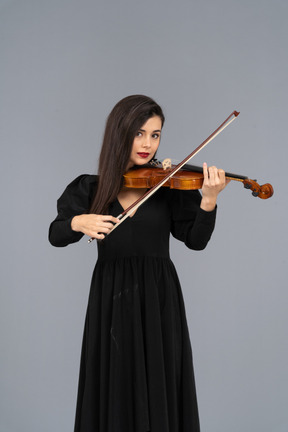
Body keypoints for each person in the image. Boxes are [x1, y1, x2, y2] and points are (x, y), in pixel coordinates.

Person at [49, 95, 228, 432]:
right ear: (121, 134)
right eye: (139, 133)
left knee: (161, 381)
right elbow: (56, 234)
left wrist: (208, 200)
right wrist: (78, 222)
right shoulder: (90, 187)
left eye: (156, 134)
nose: (148, 143)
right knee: (114, 382)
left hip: (159, 296)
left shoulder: (168, 184)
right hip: (111, 297)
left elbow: (195, 240)